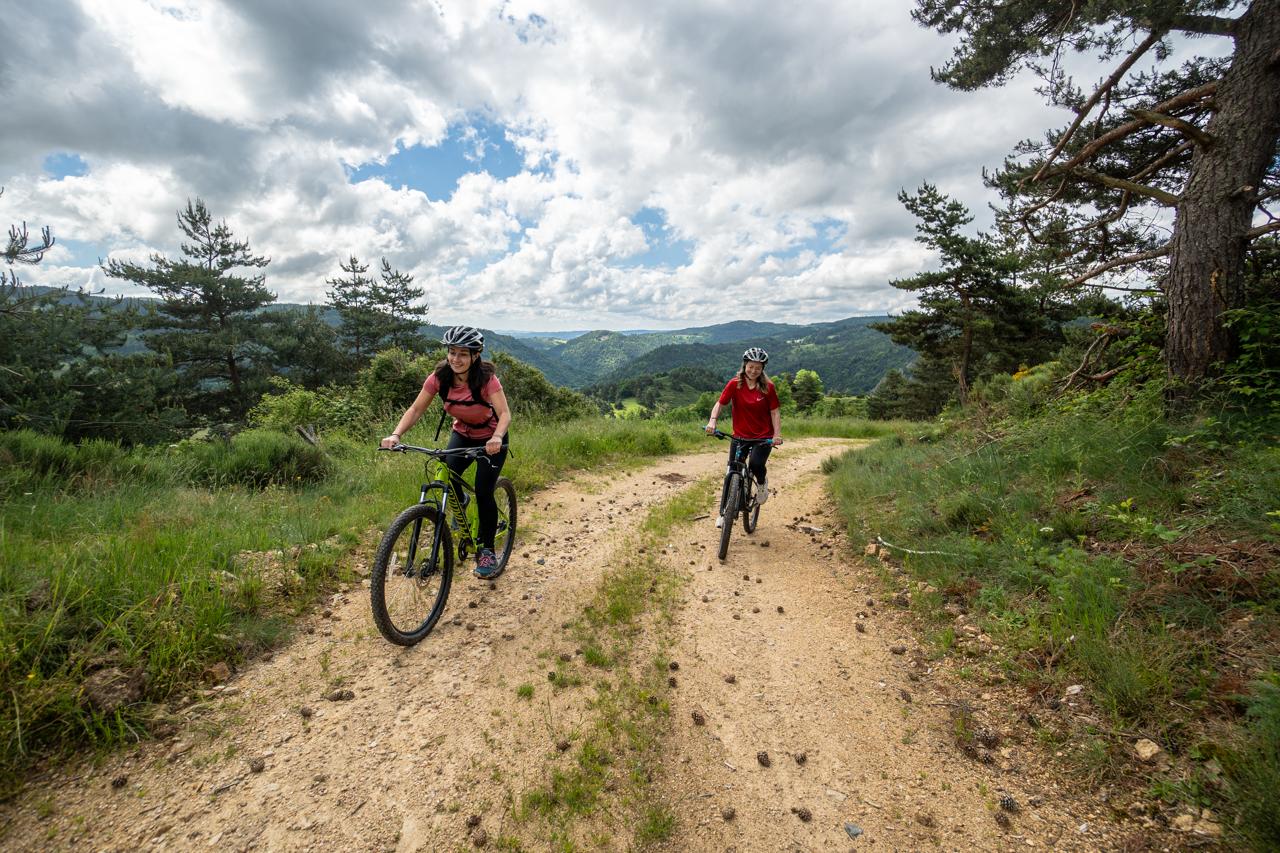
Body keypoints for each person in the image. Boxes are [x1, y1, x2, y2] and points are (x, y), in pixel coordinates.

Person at [381, 326, 513, 579]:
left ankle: (486, 550)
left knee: (484, 490)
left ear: (476, 355)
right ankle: (459, 499)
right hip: (463, 433)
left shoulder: (486, 379)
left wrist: (497, 437)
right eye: (452, 352)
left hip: (492, 437)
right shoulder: (440, 377)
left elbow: (505, 413)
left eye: (463, 353)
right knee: (446, 473)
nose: (455, 359)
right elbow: (416, 409)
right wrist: (396, 434)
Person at [705, 347, 783, 528]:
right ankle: (724, 513)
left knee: (756, 465)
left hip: (763, 437)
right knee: (731, 471)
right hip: (740, 436)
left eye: (758, 367)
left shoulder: (768, 387)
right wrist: (712, 421)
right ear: (744, 366)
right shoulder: (735, 384)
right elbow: (720, 403)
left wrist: (777, 434)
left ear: (762, 369)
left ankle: (762, 485)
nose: (753, 370)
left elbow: (775, 412)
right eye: (750, 366)